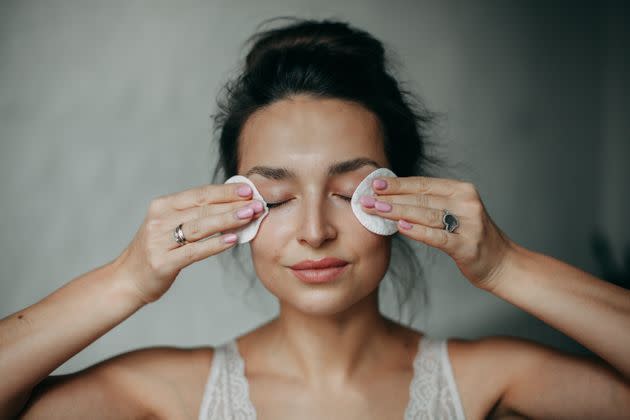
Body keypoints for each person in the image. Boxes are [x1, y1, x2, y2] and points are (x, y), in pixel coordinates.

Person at [2, 17, 629, 420]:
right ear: (233, 210)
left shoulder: (489, 380)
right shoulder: (167, 394)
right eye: (274, 198)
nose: (313, 231)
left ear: (404, 197)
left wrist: (505, 265)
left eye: (349, 189)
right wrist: (128, 278)